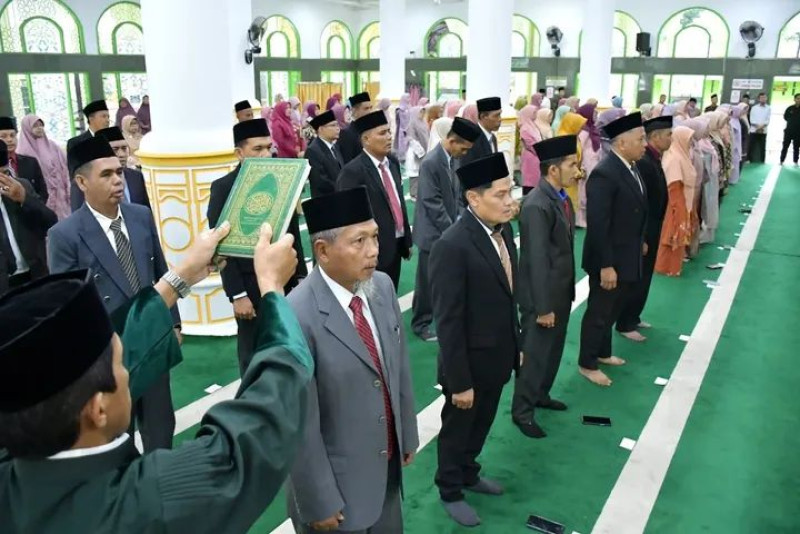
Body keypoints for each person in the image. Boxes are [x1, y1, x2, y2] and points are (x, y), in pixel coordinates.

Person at [0, 220, 315, 534]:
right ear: (97, 410)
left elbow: (111, 353)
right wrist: (272, 288)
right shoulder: (146, 503)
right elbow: (254, 437)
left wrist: (181, 276)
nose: (129, 369)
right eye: (121, 364)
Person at [286, 187, 418, 534]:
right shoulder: (295, 315)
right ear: (323, 250)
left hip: (385, 470)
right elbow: (298, 422)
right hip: (337, 491)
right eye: (359, 241)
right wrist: (318, 499)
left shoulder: (382, 287)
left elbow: (398, 366)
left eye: (374, 237)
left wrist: (406, 432)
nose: (373, 250)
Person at [48, 137, 180, 452]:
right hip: (108, 353)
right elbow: (67, 308)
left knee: (161, 427)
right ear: (82, 182)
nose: (118, 180)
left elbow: (161, 272)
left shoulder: (140, 216)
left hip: (152, 338)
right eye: (106, 175)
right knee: (118, 437)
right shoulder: (64, 236)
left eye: (119, 172)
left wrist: (173, 323)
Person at [430, 153, 520, 527]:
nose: (509, 201)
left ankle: (469, 471)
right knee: (458, 429)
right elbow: (448, 322)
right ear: (473, 198)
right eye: (500, 195)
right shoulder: (453, 245)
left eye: (510, 192)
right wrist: (460, 381)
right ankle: (450, 488)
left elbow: (508, 296)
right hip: (467, 364)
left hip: (497, 355)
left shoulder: (503, 232)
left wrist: (516, 347)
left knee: (482, 423)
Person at [207, 118, 307, 376]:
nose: (266, 154)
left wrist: (300, 278)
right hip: (250, 289)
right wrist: (237, 294)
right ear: (239, 153)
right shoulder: (223, 188)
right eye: (257, 149)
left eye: (268, 147)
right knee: (253, 354)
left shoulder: (282, 180)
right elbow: (220, 247)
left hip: (285, 281)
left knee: (289, 345)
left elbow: (293, 233)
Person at [511, 136, 579, 439]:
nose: (577, 171)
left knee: (552, 351)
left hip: (559, 292)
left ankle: (540, 394)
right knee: (535, 354)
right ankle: (522, 411)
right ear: (553, 170)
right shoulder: (537, 205)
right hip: (543, 298)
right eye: (572, 165)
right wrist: (543, 307)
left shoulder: (560, 198)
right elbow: (536, 259)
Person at [578, 112, 647, 387]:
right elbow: (599, 224)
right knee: (599, 312)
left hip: (626, 252)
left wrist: (640, 240)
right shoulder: (605, 173)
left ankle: (603, 352)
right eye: (640, 139)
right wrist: (606, 265)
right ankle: (587, 363)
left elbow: (634, 210)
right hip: (609, 258)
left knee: (612, 308)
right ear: (622, 143)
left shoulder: (630, 166)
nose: (644, 144)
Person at [412, 118, 481, 342]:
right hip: (432, 234)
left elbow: (458, 194)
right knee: (427, 282)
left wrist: (461, 219)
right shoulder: (431, 162)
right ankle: (420, 323)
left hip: (448, 230)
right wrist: (453, 230)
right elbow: (432, 202)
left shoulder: (453, 159)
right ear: (452, 141)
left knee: (444, 279)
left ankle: (441, 317)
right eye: (464, 148)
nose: (465, 153)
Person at [337, 111, 412, 289]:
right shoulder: (353, 172)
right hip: (370, 251)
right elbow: (348, 219)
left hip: (396, 245)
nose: (389, 137)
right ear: (366, 139)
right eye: (382, 133)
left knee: (389, 292)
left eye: (389, 132)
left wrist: (406, 239)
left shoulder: (392, 163)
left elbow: (399, 202)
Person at [616, 116, 672, 341]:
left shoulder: (653, 158)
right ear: (655, 136)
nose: (671, 139)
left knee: (645, 275)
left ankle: (634, 316)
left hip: (653, 226)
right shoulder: (645, 162)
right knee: (636, 277)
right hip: (645, 229)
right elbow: (641, 202)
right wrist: (642, 236)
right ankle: (625, 321)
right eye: (668, 134)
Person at [0, 140, 57, 293]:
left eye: (4, 174)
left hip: (34, 277)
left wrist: (24, 198)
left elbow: (51, 223)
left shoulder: (21, 186)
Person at [70, 126, 150, 211]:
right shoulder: (85, 181)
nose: (122, 154)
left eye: (124, 148)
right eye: (115, 149)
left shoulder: (136, 176)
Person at [654, 126, 695, 277]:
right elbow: (674, 185)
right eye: (688, 140)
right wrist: (679, 208)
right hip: (675, 203)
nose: (690, 143)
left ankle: (671, 266)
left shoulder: (681, 155)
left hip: (682, 201)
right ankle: (666, 267)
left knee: (675, 235)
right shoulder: (675, 158)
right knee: (672, 235)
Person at [16, 115, 71, 219]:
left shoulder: (52, 146)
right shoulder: (22, 152)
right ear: (27, 128)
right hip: (41, 197)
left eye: (41, 125)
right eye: (35, 126)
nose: (39, 128)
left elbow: (64, 167)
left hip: (60, 195)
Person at [0, 116, 48, 202]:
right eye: (4, 136)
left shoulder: (31, 162)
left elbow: (43, 192)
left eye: (12, 136)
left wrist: (35, 207)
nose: (9, 140)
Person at [556, 112, 588, 221]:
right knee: (564, 204)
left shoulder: (574, 136)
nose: (581, 129)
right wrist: (577, 172)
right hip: (565, 177)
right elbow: (565, 162)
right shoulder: (563, 138)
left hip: (573, 175)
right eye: (579, 126)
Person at [306, 110, 344, 198]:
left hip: (340, 196)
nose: (337, 128)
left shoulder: (335, 147)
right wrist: (341, 187)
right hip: (325, 199)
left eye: (337, 125)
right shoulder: (313, 150)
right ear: (321, 129)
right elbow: (320, 181)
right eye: (333, 125)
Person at [577, 103, 602, 227]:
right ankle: (580, 219)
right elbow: (579, 148)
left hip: (594, 162)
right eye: (593, 113)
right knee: (583, 189)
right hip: (586, 163)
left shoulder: (592, 129)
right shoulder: (584, 131)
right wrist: (580, 166)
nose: (596, 116)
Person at [459, 97, 502, 170]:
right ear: (483, 116)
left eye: (500, 115)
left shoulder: (493, 138)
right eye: (496, 116)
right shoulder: (471, 140)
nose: (500, 119)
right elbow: (467, 170)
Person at [338, 92, 374, 164]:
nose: (370, 112)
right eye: (366, 108)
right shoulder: (346, 134)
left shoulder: (372, 131)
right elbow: (347, 162)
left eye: (371, 108)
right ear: (354, 110)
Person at [405, 106, 430, 198]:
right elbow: (411, 139)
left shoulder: (423, 122)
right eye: (420, 112)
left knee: (422, 173)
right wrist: (420, 152)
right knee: (414, 173)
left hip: (425, 149)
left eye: (423, 112)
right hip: (415, 152)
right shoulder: (412, 124)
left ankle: (420, 191)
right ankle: (413, 193)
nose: (422, 114)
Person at [519, 105, 543, 194]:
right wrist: (542, 151)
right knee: (530, 183)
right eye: (534, 112)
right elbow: (531, 145)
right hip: (530, 159)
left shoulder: (533, 125)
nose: (536, 114)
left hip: (537, 157)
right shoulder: (525, 128)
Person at [748, 92, 770, 163]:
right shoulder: (754, 108)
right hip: (754, 130)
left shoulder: (768, 108)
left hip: (763, 130)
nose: (763, 99)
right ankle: (749, 159)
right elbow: (751, 119)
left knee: (762, 146)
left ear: (766, 98)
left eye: (764, 97)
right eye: (761, 98)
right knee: (751, 145)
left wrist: (761, 127)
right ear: (758, 99)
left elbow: (767, 120)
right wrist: (757, 127)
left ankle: (762, 160)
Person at [780, 93, 800, 165]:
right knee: (785, 146)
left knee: (796, 147)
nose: (799, 100)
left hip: (798, 132)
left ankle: (795, 161)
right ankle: (781, 160)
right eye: (797, 98)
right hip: (789, 131)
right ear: (794, 99)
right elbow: (785, 117)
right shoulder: (790, 108)